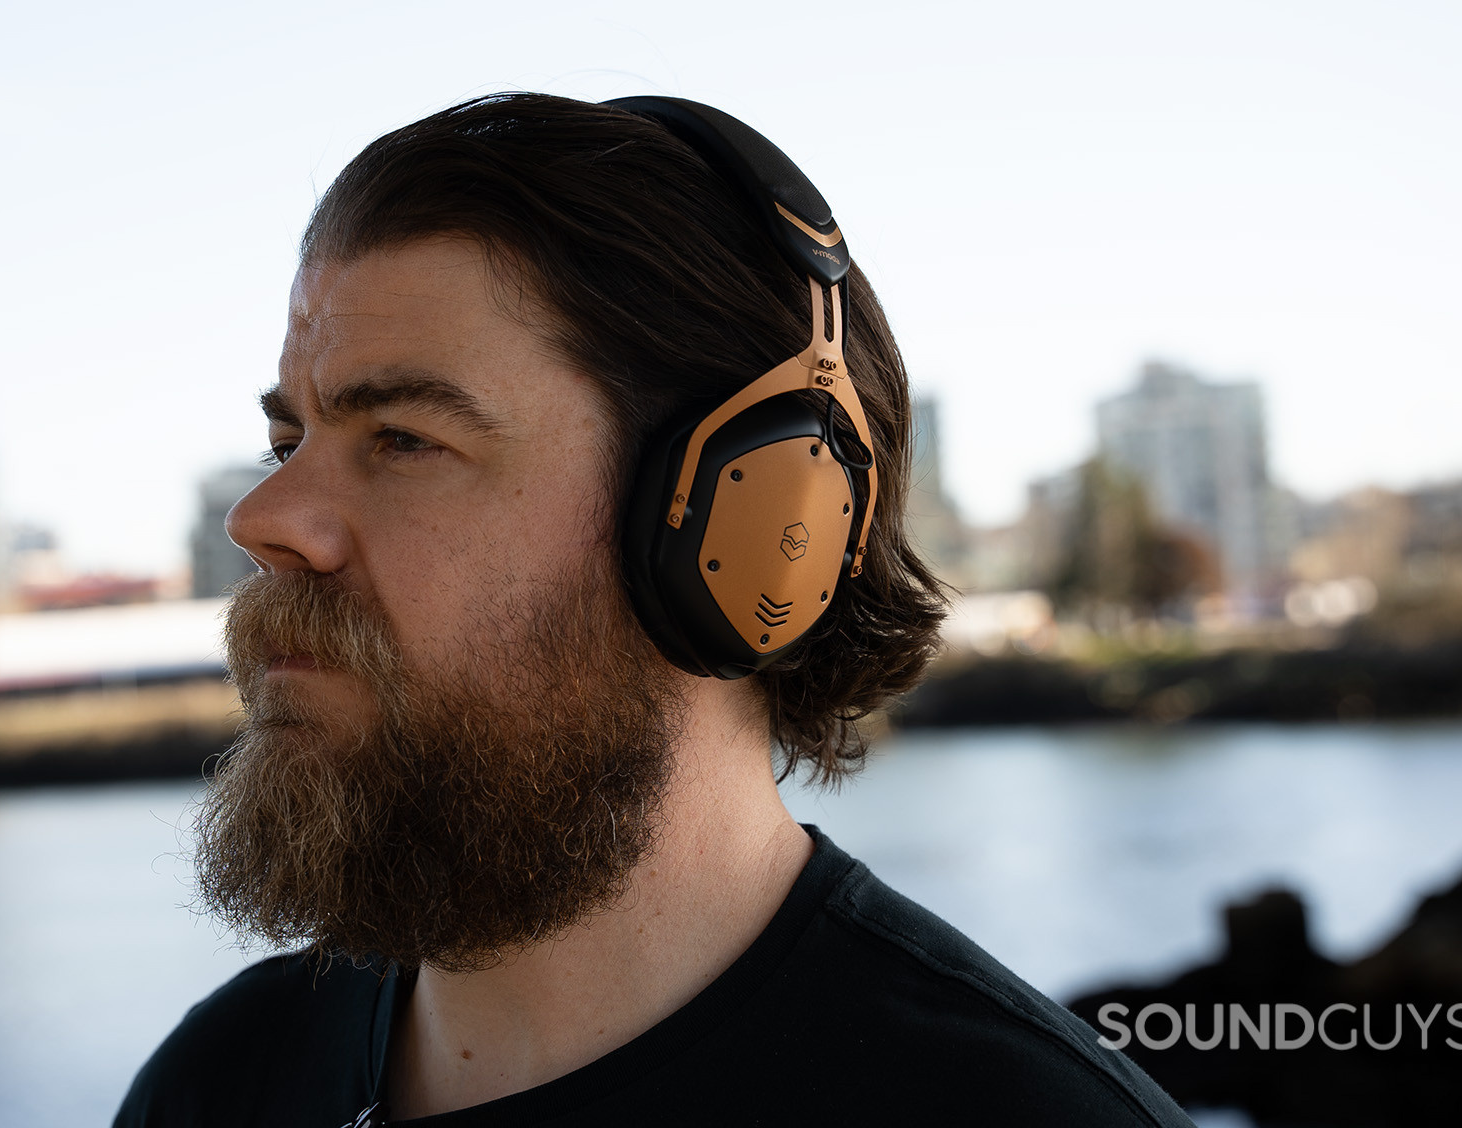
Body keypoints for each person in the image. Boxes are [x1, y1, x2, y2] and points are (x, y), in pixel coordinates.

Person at [114, 93, 1191, 1127]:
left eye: (403, 439)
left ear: (746, 526)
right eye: (285, 441)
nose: (264, 518)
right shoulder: (221, 1083)